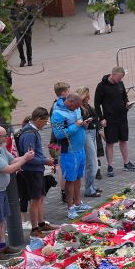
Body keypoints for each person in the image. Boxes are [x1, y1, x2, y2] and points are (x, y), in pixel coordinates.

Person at [0, 126, 35, 260]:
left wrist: (25, 156)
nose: (6, 138)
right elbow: (9, 169)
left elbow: (13, 160)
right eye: (3, 136)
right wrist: (25, 159)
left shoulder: (0, 148)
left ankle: (3, 246)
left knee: (2, 220)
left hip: (1, 190)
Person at [16, 107, 55, 237]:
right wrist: (45, 161)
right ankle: (34, 230)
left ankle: (41, 224)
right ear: (38, 119)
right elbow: (29, 156)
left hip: (36, 170)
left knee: (39, 198)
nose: (45, 124)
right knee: (34, 200)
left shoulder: (32, 131)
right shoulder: (29, 134)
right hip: (31, 171)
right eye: (45, 121)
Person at [51, 93, 90, 221]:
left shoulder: (76, 108)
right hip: (69, 152)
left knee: (78, 177)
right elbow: (59, 134)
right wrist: (76, 126)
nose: (79, 108)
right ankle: (70, 208)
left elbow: (78, 123)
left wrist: (84, 124)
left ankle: (78, 203)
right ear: (70, 102)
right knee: (71, 180)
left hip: (80, 149)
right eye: (77, 106)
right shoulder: (57, 114)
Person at [94, 66, 135, 176]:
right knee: (110, 142)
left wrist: (127, 103)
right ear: (112, 74)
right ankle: (110, 166)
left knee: (124, 140)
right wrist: (101, 118)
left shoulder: (120, 84)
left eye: (121, 78)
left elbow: (124, 96)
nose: (120, 80)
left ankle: (127, 163)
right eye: (119, 78)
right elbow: (96, 103)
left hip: (122, 116)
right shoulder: (101, 86)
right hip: (110, 119)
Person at [74, 87, 102, 196]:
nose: (89, 97)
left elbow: (95, 117)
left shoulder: (86, 106)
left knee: (92, 160)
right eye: (87, 95)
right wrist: (90, 121)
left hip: (91, 133)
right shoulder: (79, 108)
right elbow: (82, 121)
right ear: (83, 96)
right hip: (86, 134)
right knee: (92, 162)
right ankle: (89, 189)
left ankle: (92, 186)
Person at [10, 0, 36, 67]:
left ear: (23, 0)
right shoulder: (13, 9)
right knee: (20, 44)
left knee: (28, 44)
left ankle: (29, 60)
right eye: (18, 0)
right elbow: (11, 19)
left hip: (27, 29)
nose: (20, 1)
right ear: (16, 2)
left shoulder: (27, 8)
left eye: (21, 0)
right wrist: (15, 26)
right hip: (18, 30)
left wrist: (28, 24)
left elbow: (32, 18)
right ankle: (22, 59)